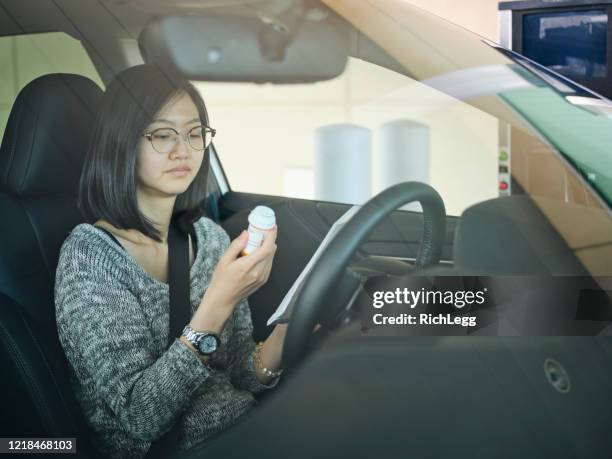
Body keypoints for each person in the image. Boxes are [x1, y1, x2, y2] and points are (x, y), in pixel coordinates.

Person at [54, 64, 288, 459]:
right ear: (121, 142)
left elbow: (240, 374)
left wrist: (291, 328)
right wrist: (218, 303)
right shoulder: (90, 259)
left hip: (248, 432)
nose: (184, 150)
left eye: (195, 134)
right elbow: (141, 417)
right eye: (163, 135)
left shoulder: (210, 238)